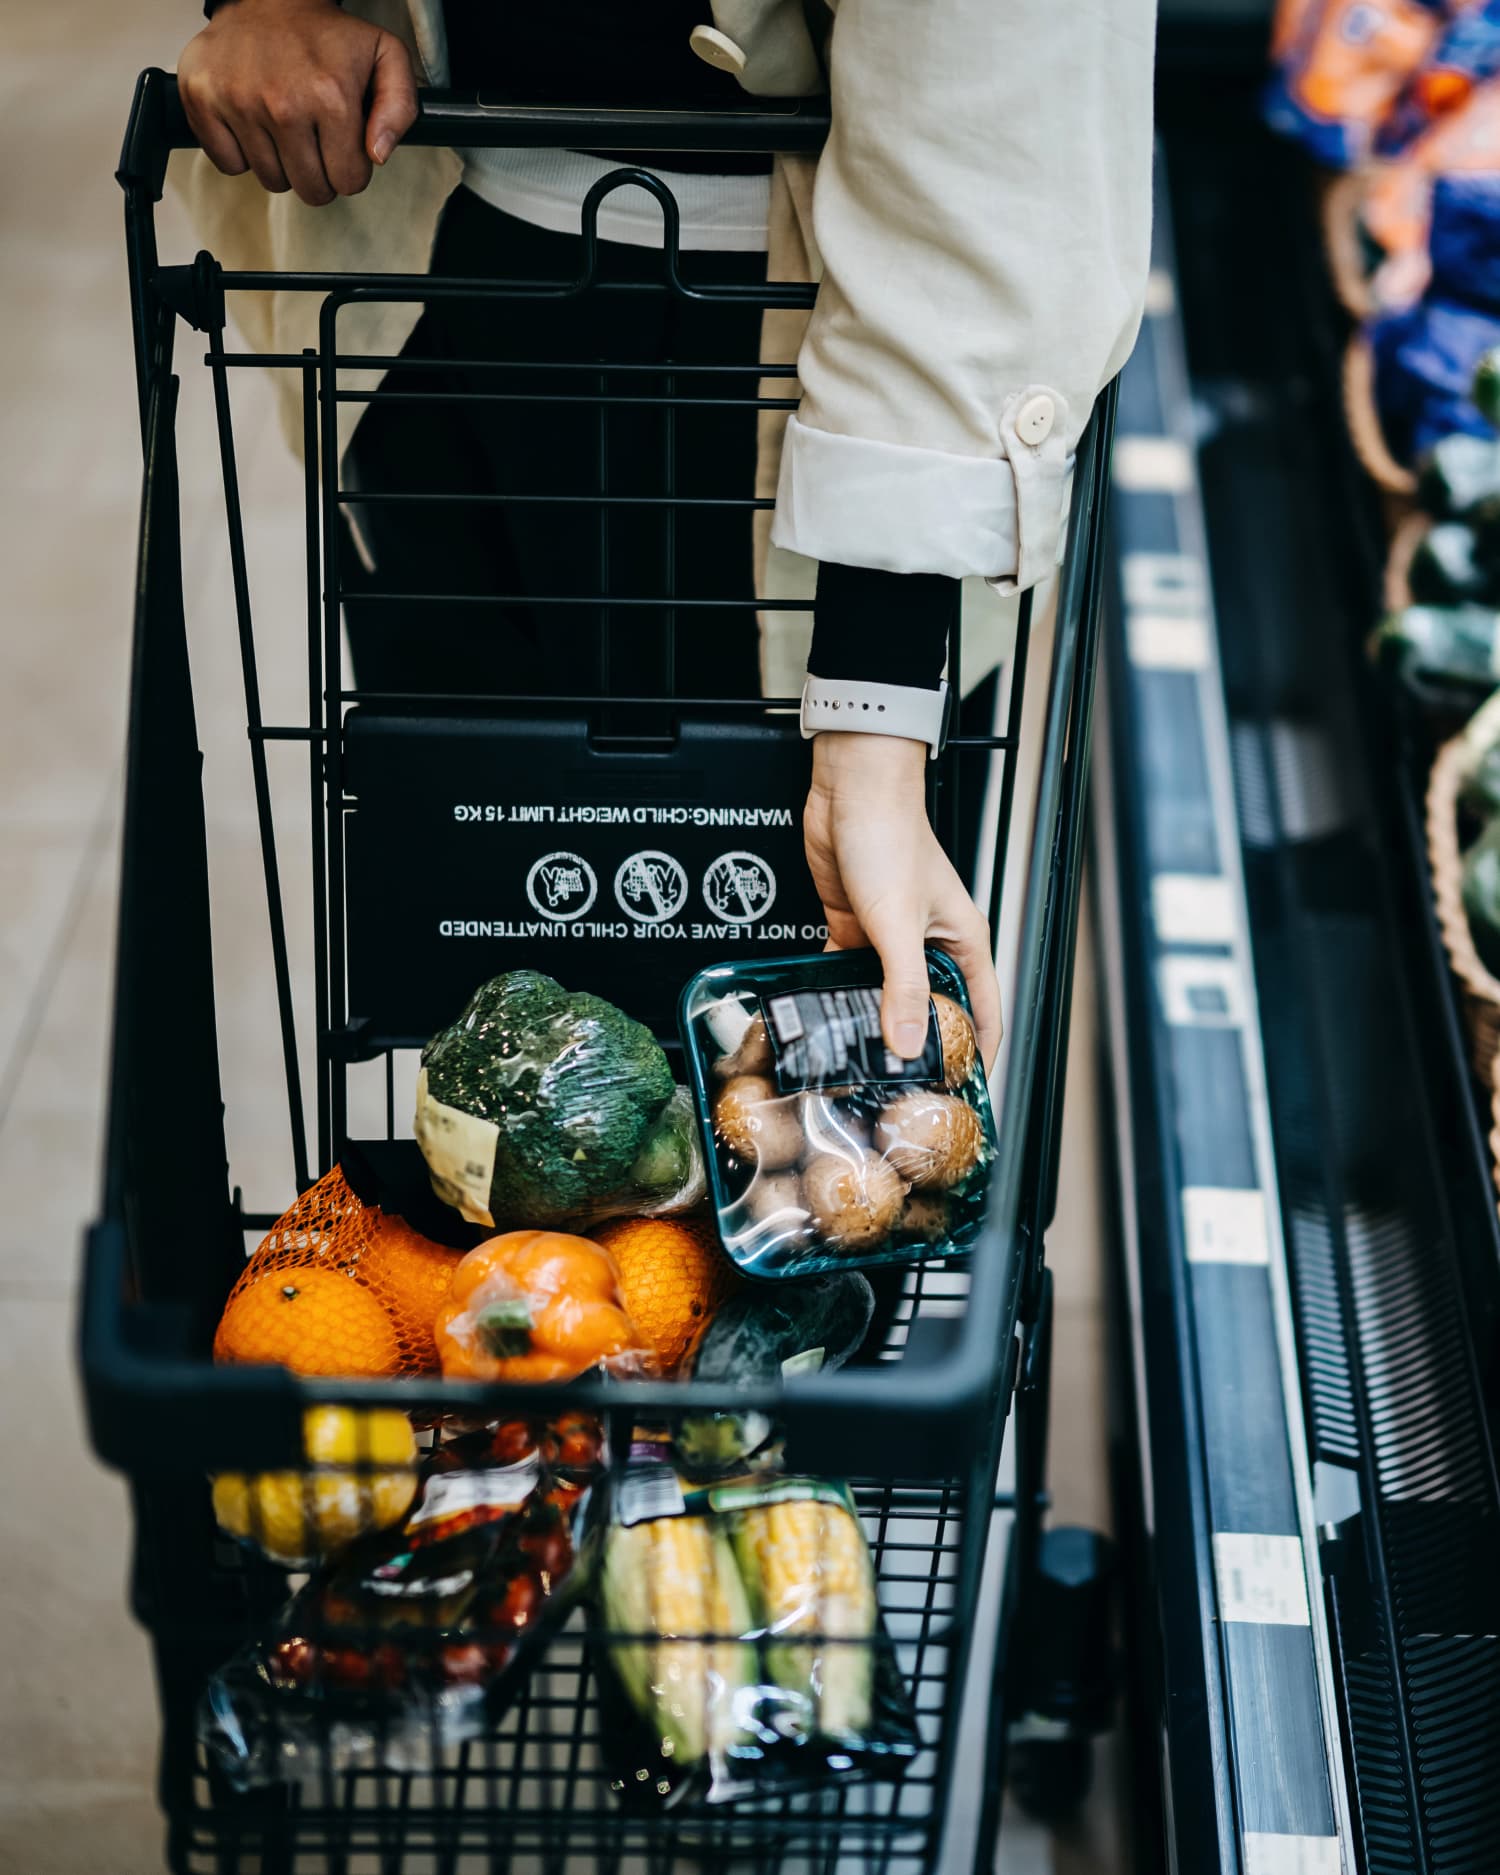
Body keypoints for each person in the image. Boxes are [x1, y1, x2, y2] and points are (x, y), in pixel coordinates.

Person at [174, 0, 1156, 1073]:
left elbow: (991, 72)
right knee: (491, 1040)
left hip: (825, 358)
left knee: (810, 1096)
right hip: (421, 252)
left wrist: (875, 711)